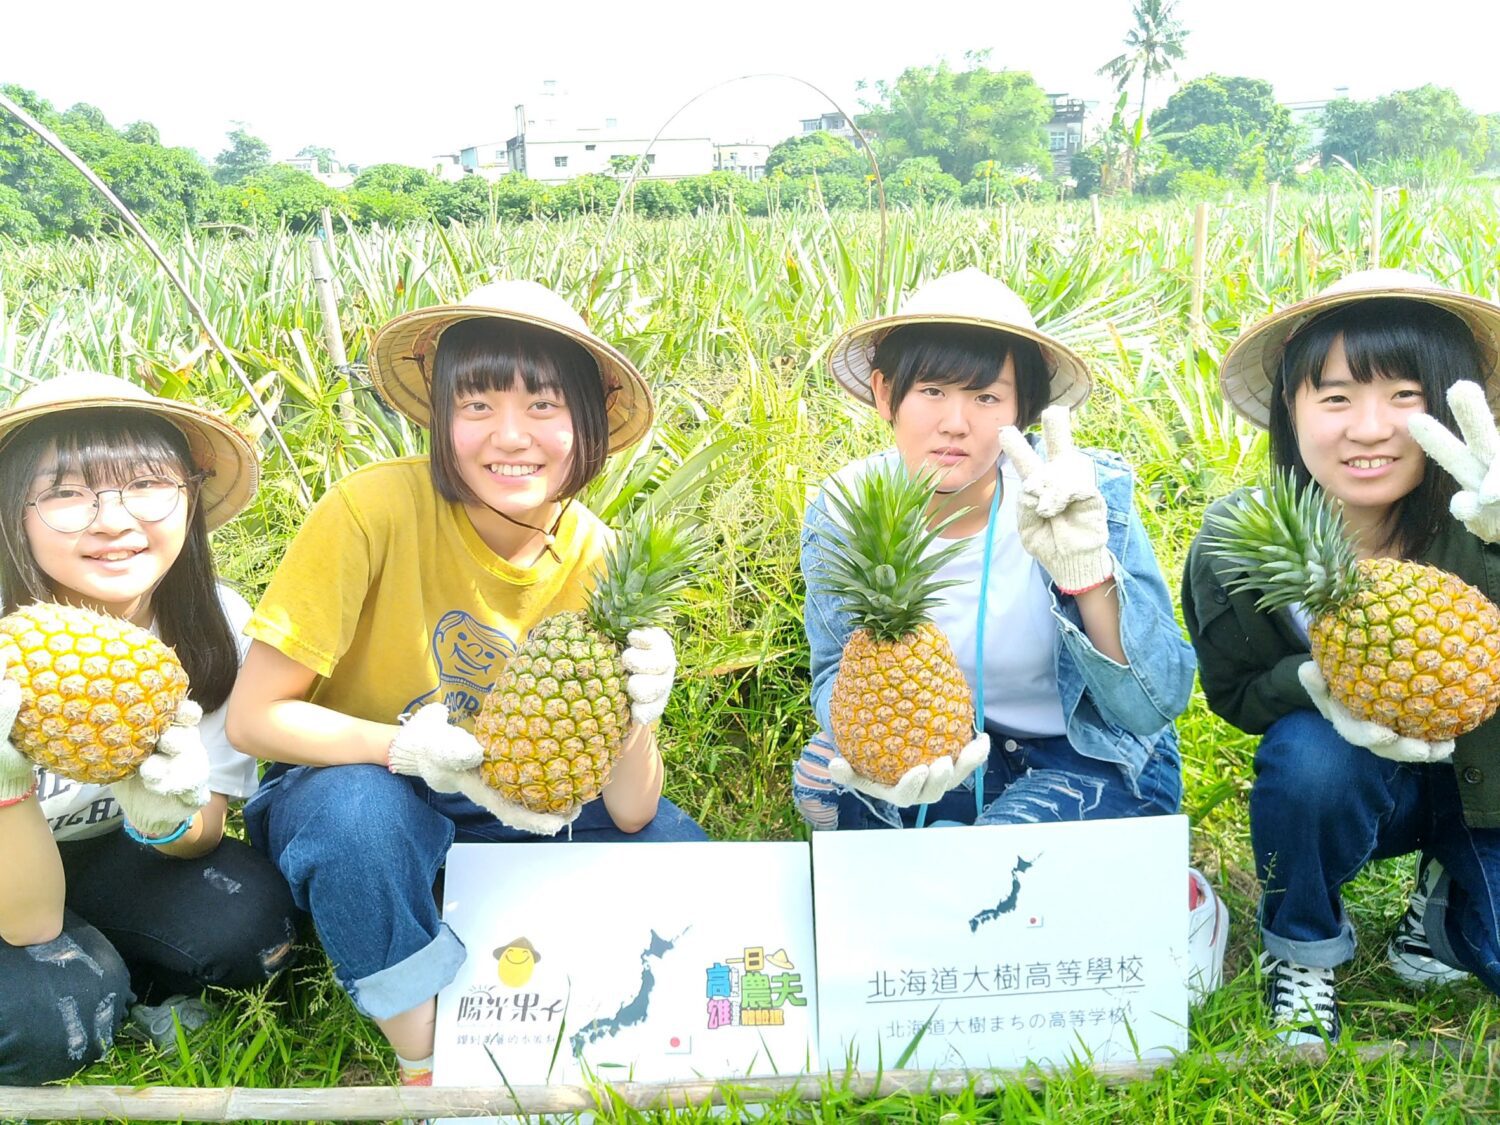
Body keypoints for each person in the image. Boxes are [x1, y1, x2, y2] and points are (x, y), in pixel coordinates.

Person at [226, 280, 706, 1088]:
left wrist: (637, 712)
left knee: (675, 855)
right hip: (360, 784)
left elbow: (630, 809)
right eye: (476, 405)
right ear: (439, 419)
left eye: (544, 406)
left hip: (508, 802)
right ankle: (427, 1055)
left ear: (588, 423)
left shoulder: (598, 554)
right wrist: (401, 748)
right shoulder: (370, 509)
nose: (509, 436)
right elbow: (254, 718)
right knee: (357, 822)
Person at [792, 268, 1223, 992]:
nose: (956, 422)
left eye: (986, 397)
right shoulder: (845, 509)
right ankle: (994, 857)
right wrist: (872, 753)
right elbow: (837, 666)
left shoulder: (1086, 494)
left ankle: (1172, 895)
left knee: (989, 870)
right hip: (948, 745)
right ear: (883, 393)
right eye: (931, 391)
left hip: (1086, 749)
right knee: (822, 780)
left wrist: (1088, 574)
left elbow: (1156, 702)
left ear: (1022, 409)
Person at [1183, 268, 1500, 1042]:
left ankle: (1447, 913)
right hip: (1353, 776)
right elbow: (1235, 691)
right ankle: (1304, 945)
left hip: (1490, 780)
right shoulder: (1240, 543)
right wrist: (1314, 682)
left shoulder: (1486, 505)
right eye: (1335, 397)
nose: (1369, 428)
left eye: (1405, 395)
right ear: (1291, 411)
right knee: (1308, 757)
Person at [0, 373, 296, 1085]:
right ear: (12, 509)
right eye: (67, 493)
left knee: (255, 929)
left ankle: (119, 976)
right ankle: (96, 985)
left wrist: (166, 813)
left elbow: (203, 835)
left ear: (189, 496)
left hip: (101, 848)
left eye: (146, 483)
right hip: (12, 879)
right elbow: (27, 920)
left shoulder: (211, 625)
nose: (112, 519)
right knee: (55, 1015)